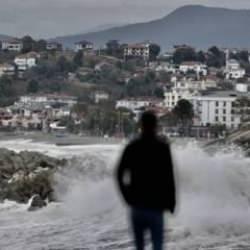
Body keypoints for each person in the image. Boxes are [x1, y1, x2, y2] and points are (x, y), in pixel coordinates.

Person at [116, 111, 176, 250]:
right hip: (156, 205)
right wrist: (171, 202)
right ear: (156, 126)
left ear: (141, 125)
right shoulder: (162, 148)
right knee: (157, 246)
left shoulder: (132, 147)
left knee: (140, 246)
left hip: (137, 205)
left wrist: (126, 196)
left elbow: (119, 174)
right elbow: (169, 177)